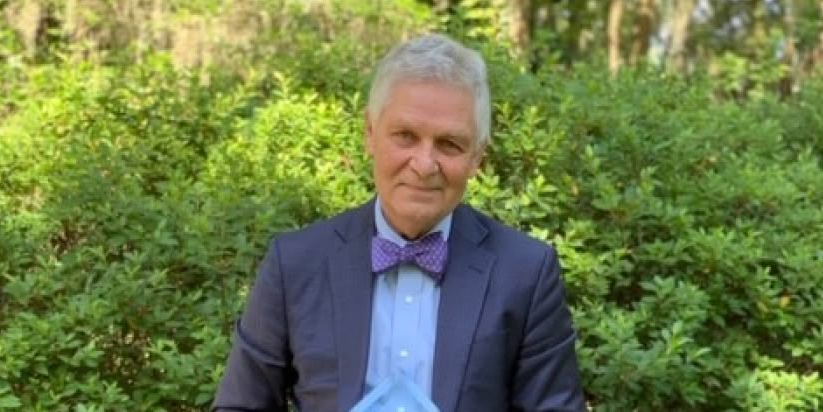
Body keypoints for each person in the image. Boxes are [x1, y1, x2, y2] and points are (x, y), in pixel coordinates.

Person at [212, 33, 585, 412]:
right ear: (370, 134)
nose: (424, 165)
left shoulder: (526, 272)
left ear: (477, 157)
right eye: (405, 136)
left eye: (449, 144)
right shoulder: (295, 263)